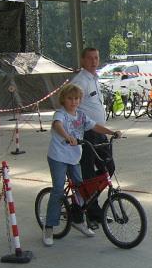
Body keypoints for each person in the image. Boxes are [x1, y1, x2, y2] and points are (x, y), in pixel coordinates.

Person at [43, 83, 121, 247]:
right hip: (58, 157)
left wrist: (112, 132)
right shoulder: (61, 114)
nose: (74, 101)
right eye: (70, 98)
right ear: (63, 99)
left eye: (77, 98)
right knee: (58, 189)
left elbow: (95, 126)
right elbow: (57, 125)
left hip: (73, 158)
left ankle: (78, 221)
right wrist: (67, 136)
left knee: (81, 189)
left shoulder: (81, 116)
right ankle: (49, 227)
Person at [72, 47, 115, 230]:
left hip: (99, 132)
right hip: (87, 134)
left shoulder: (94, 79)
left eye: (96, 58)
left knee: (108, 168)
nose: (94, 61)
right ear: (82, 60)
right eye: (90, 58)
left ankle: (83, 202)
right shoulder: (80, 81)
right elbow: (72, 108)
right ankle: (91, 212)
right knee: (89, 174)